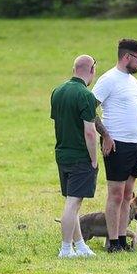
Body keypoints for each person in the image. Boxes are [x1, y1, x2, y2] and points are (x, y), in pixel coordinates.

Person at [93, 38, 137, 252]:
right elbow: (90, 109)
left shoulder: (133, 81)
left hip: (134, 143)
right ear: (127, 57)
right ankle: (113, 242)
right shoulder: (109, 79)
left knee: (128, 194)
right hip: (116, 144)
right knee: (116, 194)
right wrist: (106, 136)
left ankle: (122, 240)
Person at [50, 54, 99, 258]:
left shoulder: (57, 91)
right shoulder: (86, 95)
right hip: (80, 156)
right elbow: (89, 131)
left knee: (73, 201)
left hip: (62, 153)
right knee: (73, 204)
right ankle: (65, 248)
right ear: (92, 70)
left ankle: (80, 246)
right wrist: (94, 159)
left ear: (74, 69)